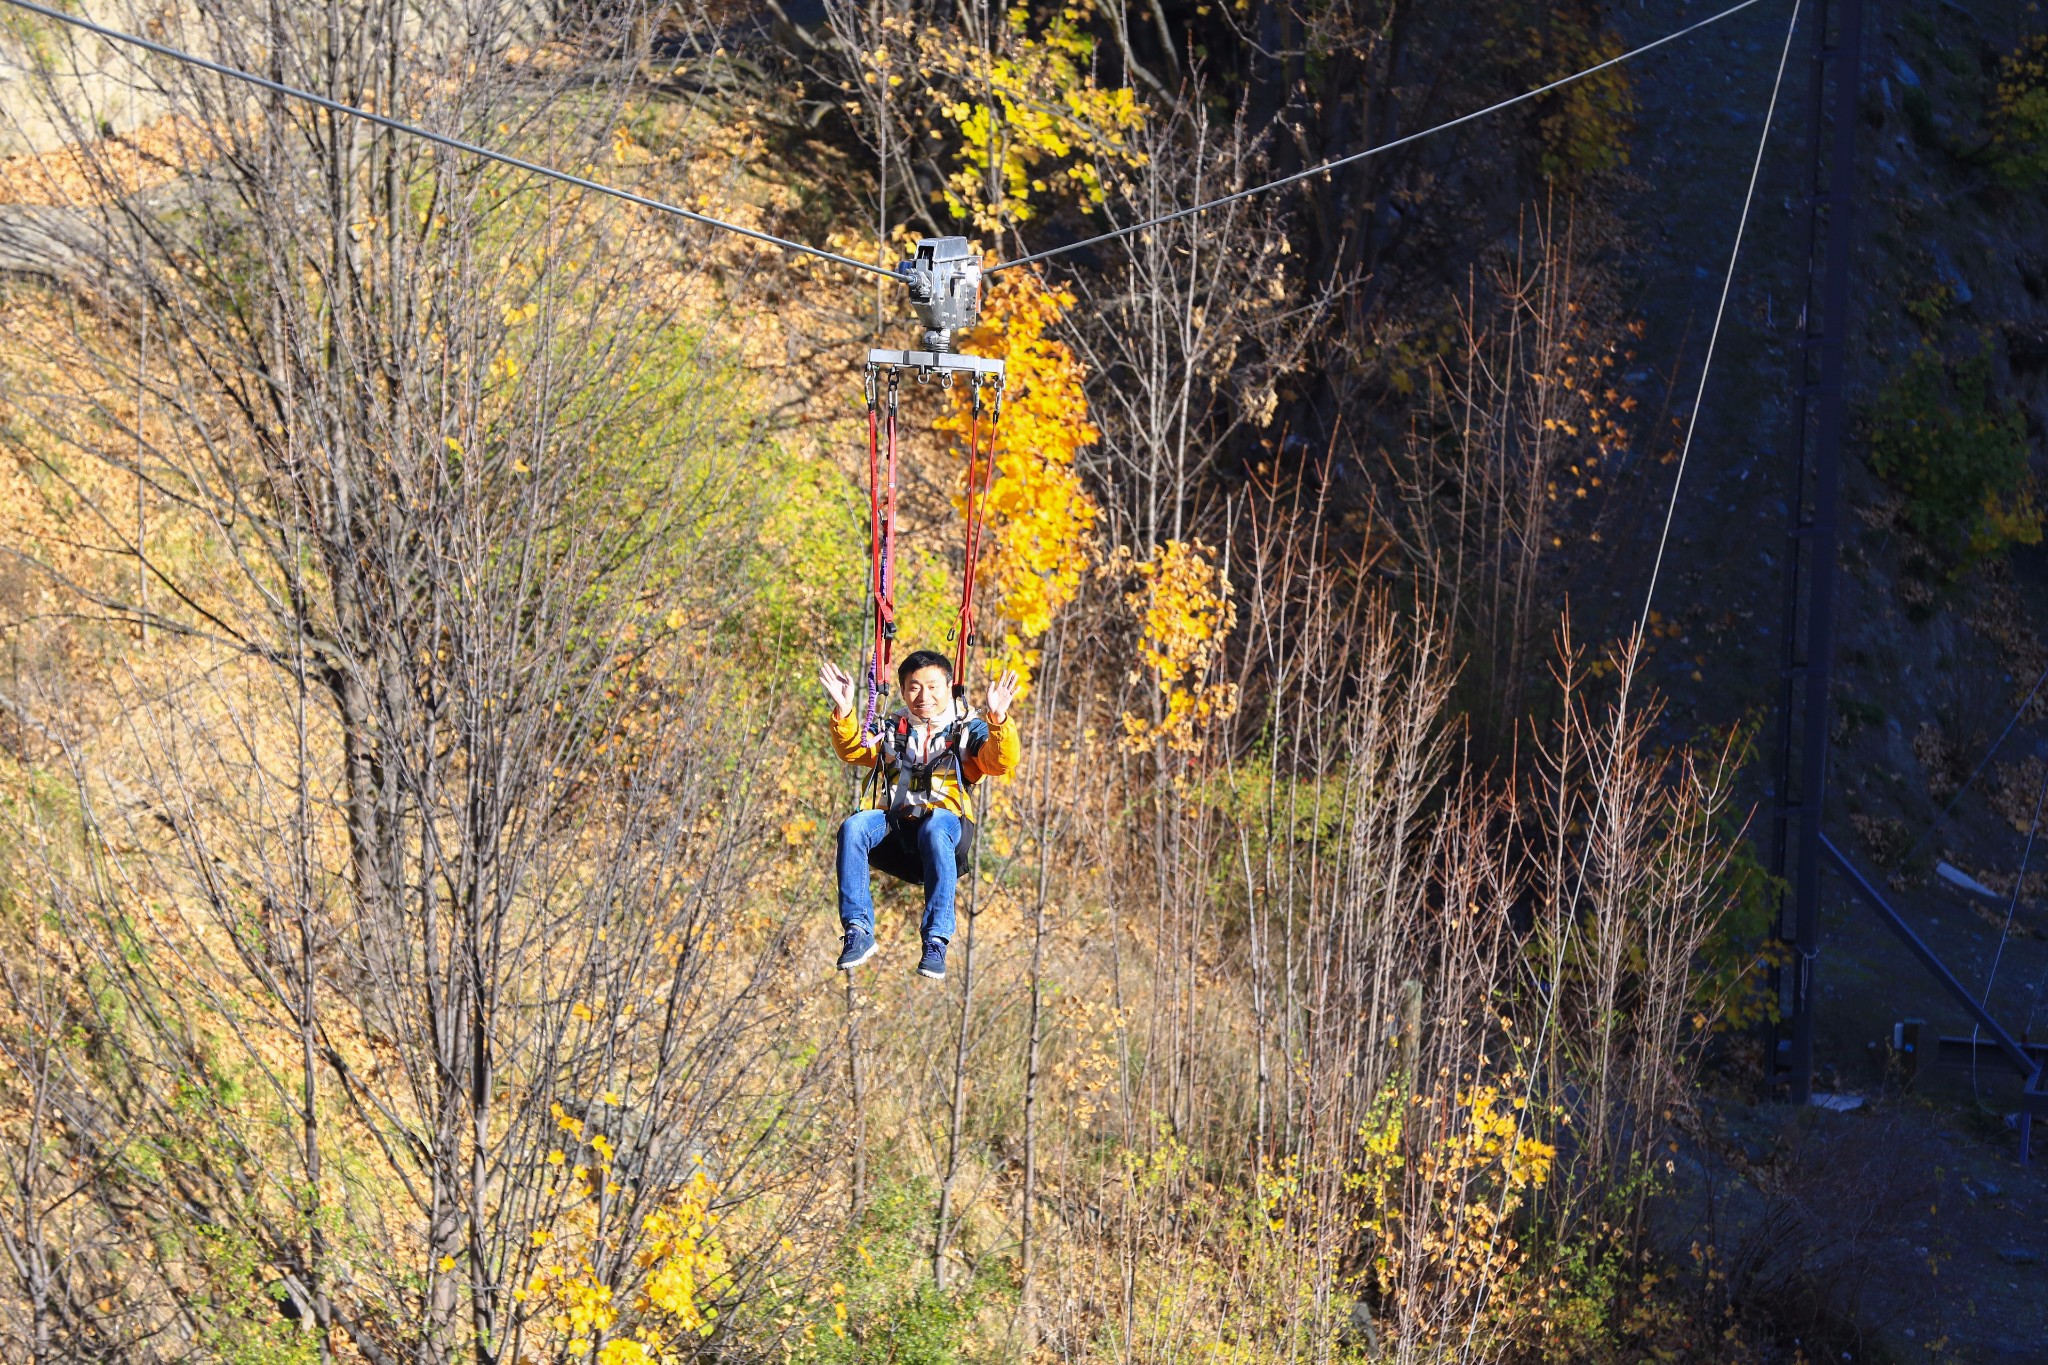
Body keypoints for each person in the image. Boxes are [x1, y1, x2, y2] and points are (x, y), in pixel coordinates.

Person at [817, 649, 1019, 980]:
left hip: (946, 828)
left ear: (949, 687)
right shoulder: (891, 726)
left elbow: (999, 763)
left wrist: (997, 721)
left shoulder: (968, 728)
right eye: (914, 687)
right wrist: (844, 710)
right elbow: (854, 750)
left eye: (933, 686)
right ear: (902, 690)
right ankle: (858, 928)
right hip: (896, 828)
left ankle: (936, 938)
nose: (923, 696)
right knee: (853, 827)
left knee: (936, 826)